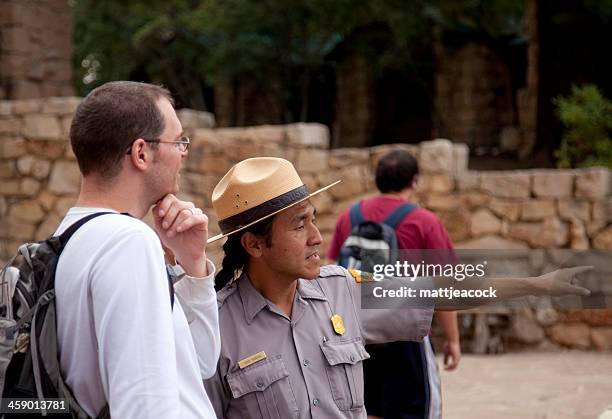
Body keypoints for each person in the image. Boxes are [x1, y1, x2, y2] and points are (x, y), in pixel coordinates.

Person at [203, 157, 590, 419]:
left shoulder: (342, 292)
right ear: (255, 244)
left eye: (314, 220)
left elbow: (440, 291)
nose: (317, 237)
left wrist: (536, 285)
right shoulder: (214, 329)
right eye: (299, 224)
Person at [54, 81, 220, 418]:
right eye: (178, 141)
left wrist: (192, 264)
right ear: (141, 153)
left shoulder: (71, 236)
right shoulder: (127, 242)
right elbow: (144, 406)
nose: (183, 153)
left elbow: (197, 363)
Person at [327, 149, 459, 419]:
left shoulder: (349, 217)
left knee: (367, 408)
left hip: (358, 333)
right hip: (406, 335)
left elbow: (330, 272)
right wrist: (453, 340)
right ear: (414, 181)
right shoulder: (425, 222)